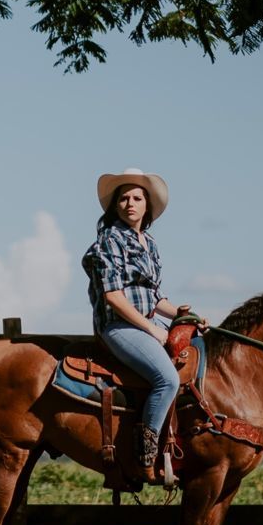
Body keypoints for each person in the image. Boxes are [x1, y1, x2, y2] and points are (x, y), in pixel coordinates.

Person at [81, 168, 185, 486]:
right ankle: (145, 458)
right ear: (115, 206)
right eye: (124, 198)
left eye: (137, 198)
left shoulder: (148, 243)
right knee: (167, 380)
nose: (130, 204)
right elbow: (114, 297)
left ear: (147, 205)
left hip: (146, 322)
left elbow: (155, 297)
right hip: (118, 326)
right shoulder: (110, 240)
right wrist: (153, 329)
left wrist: (182, 314)